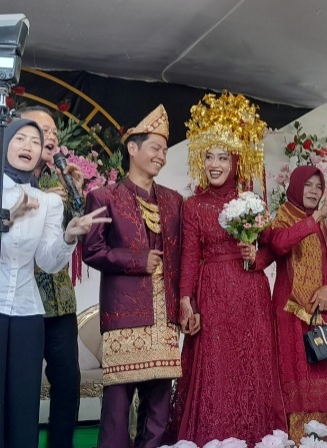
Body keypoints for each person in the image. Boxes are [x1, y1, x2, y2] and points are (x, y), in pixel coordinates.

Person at [0, 119, 105, 448]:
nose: (28, 147)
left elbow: (47, 260)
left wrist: (68, 237)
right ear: (1, 144)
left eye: (35, 142)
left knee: (23, 405)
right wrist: (7, 216)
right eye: (20, 138)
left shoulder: (48, 202)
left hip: (26, 312)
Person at [172, 92, 285, 444]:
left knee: (250, 365)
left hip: (250, 291)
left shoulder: (251, 202)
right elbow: (189, 256)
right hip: (214, 293)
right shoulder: (193, 206)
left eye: (223, 157)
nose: (215, 164)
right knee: (217, 367)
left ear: (236, 161)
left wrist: (255, 255)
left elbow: (272, 250)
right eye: (209, 157)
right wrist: (186, 301)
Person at [83, 105, 184, 448]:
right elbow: (92, 251)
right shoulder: (103, 197)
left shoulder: (174, 201)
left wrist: (187, 303)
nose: (161, 157)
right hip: (125, 315)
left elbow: (184, 256)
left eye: (164, 151)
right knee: (116, 408)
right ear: (132, 148)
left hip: (165, 317)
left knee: (158, 407)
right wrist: (136, 260)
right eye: (155, 148)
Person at [262, 165, 327, 441]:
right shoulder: (284, 217)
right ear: (295, 187)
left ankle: (325, 442)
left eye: (318, 186)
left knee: (323, 380)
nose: (314, 191)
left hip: (322, 316)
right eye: (308, 185)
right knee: (296, 382)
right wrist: (315, 217)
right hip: (291, 315)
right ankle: (294, 442)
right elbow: (280, 244)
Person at [19, 106, 84, 448]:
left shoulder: (61, 177)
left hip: (60, 302)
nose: (52, 137)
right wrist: (43, 201)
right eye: (44, 129)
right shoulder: (4, 178)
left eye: (55, 131)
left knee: (68, 382)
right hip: (23, 303)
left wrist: (76, 191)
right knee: (24, 384)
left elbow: (79, 229)